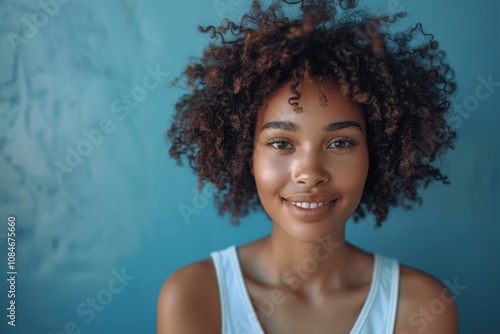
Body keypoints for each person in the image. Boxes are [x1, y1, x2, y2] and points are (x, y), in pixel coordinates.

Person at [157, 0, 459, 333]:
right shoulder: (195, 297)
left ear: (376, 154)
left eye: (340, 143)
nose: (310, 173)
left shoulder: (420, 308)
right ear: (247, 156)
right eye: (281, 143)